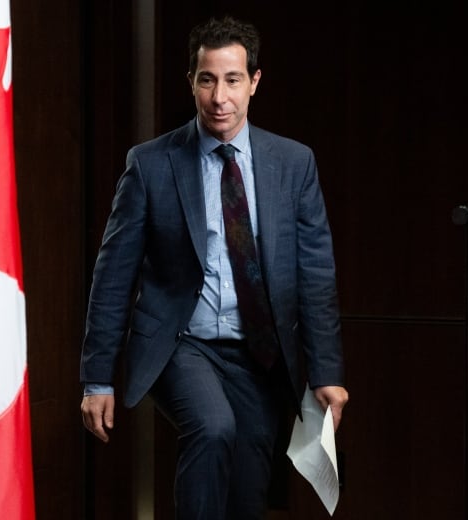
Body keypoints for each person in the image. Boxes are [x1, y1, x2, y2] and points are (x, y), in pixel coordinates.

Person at [80, 15, 349, 520]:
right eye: (207, 80)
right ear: (192, 82)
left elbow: (315, 274)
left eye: (231, 80)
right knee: (212, 426)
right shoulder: (151, 163)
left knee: (249, 478)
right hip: (182, 343)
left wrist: (328, 370)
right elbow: (112, 276)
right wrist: (97, 379)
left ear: (254, 82)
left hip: (258, 351)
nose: (219, 97)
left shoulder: (293, 164)